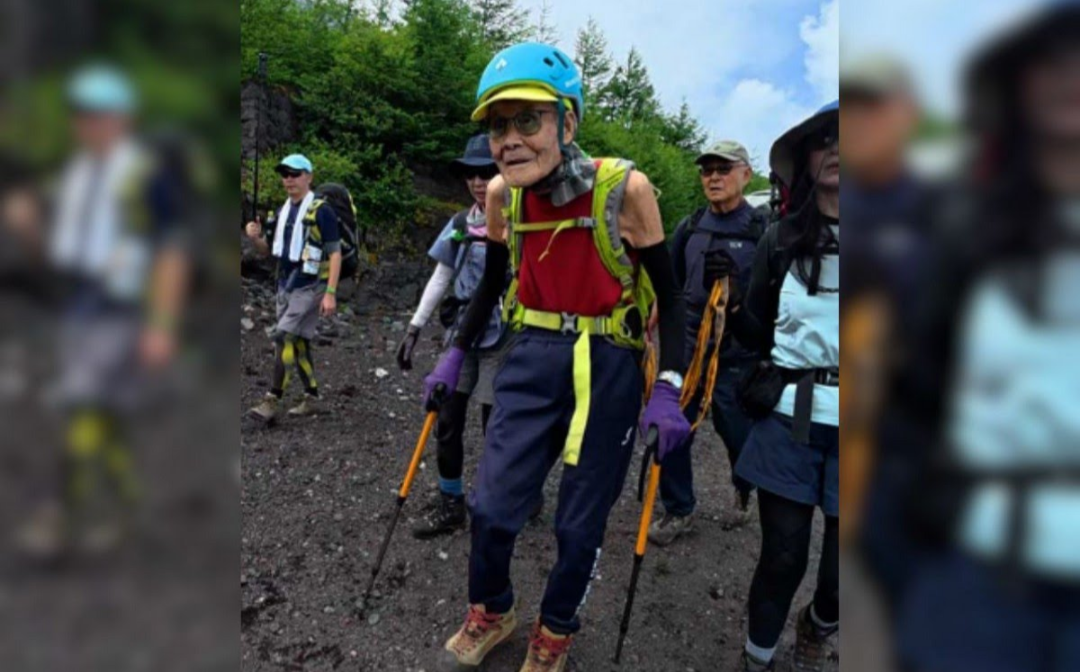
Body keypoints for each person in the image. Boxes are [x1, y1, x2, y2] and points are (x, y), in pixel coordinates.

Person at [422, 42, 690, 671]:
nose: (509, 140)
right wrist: (454, 354)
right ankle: (493, 609)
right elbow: (492, 284)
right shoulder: (502, 197)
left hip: (609, 361)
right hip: (532, 353)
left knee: (578, 523)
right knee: (491, 506)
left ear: (567, 123)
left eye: (527, 120)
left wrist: (669, 386)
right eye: (498, 126)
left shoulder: (626, 190)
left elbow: (673, 298)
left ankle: (556, 630)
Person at [895, 7, 1080, 671]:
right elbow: (919, 379)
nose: (1070, 76)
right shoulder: (962, 226)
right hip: (979, 564)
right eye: (1051, 60)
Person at [13, 65, 190, 555]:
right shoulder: (73, 174)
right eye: (81, 115)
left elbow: (172, 251)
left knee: (81, 404)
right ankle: (130, 510)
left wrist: (162, 325)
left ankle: (57, 516)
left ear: (122, 119)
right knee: (106, 417)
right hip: (77, 305)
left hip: (123, 308)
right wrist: (28, 228)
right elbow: (56, 252)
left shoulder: (145, 176)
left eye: (98, 115)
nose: (87, 124)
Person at [726, 101, 840, 672]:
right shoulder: (779, 241)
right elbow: (756, 331)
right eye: (826, 138)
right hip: (790, 416)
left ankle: (819, 623)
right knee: (783, 556)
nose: (840, 147)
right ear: (807, 158)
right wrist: (730, 304)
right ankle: (758, 659)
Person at [395, 133, 515, 539]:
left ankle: (502, 498)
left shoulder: (518, 222)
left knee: (494, 424)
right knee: (446, 417)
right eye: (471, 174)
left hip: (503, 334)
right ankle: (451, 502)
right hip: (461, 332)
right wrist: (415, 326)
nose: (479, 182)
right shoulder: (461, 224)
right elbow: (441, 275)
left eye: (487, 172)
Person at [648, 139, 768, 547]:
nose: (713, 177)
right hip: (686, 349)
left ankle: (743, 486)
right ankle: (679, 508)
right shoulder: (691, 225)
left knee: (737, 433)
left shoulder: (761, 231)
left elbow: (771, 300)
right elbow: (671, 284)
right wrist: (654, 319)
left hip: (736, 355)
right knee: (672, 425)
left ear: (745, 175)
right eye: (707, 170)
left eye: (723, 169)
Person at [245, 154, 341, 422]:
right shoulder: (281, 212)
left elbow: (335, 253)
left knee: (283, 337)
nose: (289, 179)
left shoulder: (322, 211)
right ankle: (312, 397)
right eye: (285, 174)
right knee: (298, 342)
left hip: (310, 286)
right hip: (285, 285)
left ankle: (272, 399)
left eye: (295, 174)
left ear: (309, 177)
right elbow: (267, 251)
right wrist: (254, 238)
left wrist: (330, 293)